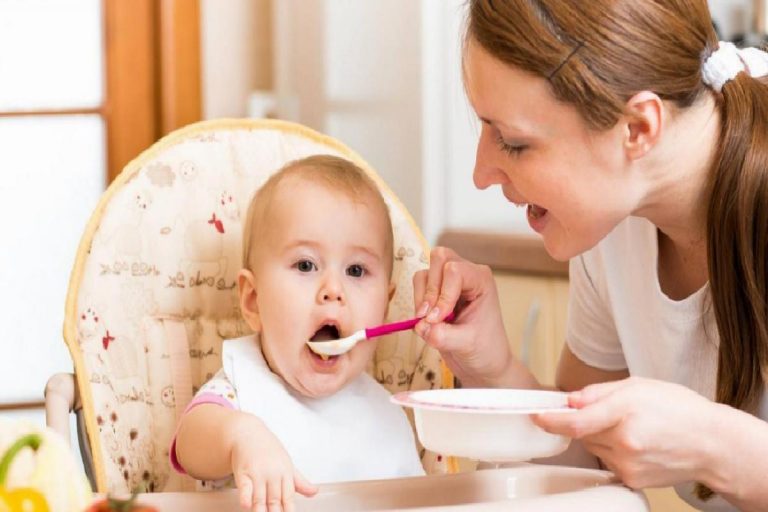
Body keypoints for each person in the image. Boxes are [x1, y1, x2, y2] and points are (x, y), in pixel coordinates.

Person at [414, 1, 768, 511]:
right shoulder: (612, 224)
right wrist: (493, 369)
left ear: (638, 129)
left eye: (513, 142)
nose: (482, 173)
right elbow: (587, 463)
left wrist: (713, 444)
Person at [172, 155, 425, 511]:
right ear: (253, 300)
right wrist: (241, 438)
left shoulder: (388, 417)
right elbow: (189, 443)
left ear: (385, 307)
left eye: (356, 270)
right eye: (306, 265)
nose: (333, 289)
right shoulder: (239, 393)